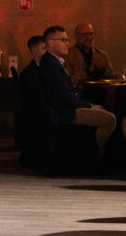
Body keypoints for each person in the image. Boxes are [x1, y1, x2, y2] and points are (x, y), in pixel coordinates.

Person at [38, 25, 116, 157]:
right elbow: (66, 95)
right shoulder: (51, 64)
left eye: (67, 40)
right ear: (50, 43)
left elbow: (112, 76)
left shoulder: (54, 62)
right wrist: (90, 106)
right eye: (63, 40)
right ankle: (98, 158)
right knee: (110, 119)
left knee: (108, 113)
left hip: (73, 104)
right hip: (62, 112)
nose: (67, 43)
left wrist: (101, 68)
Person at [65, 22, 115, 90]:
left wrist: (102, 69)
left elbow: (113, 78)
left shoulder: (102, 55)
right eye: (85, 34)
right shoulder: (68, 56)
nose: (89, 37)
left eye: (91, 34)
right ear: (76, 36)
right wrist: (89, 72)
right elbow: (68, 80)